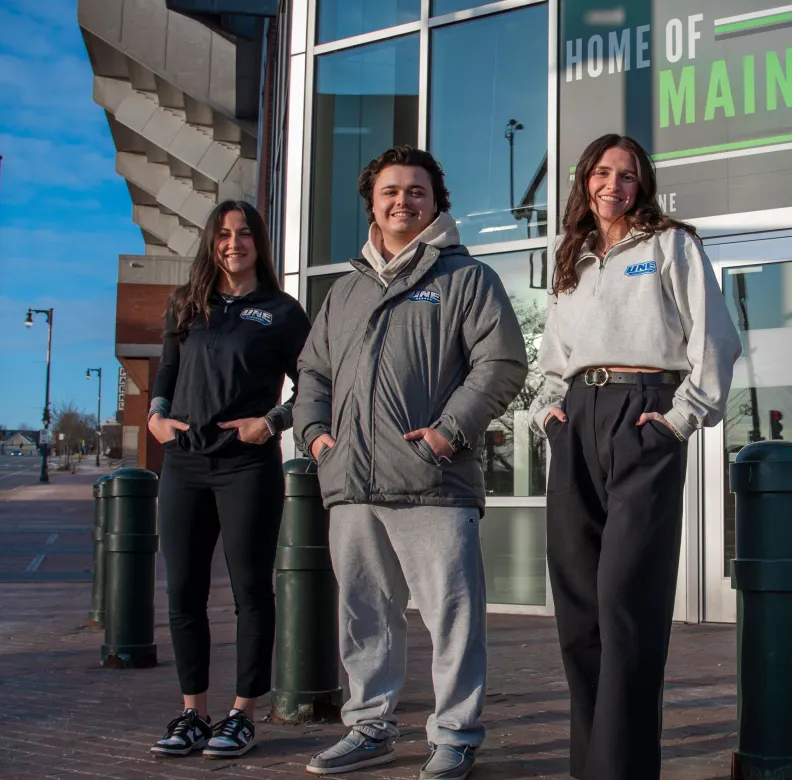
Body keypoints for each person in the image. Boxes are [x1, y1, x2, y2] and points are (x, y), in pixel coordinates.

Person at [295, 146, 527, 780]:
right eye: (391, 191)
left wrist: (448, 434)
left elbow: (502, 363)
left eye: (416, 191)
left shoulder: (466, 278)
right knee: (365, 616)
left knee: (452, 617)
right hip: (352, 483)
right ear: (372, 202)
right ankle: (369, 727)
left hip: (433, 480)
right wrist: (317, 436)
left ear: (435, 203)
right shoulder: (343, 292)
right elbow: (312, 371)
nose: (403, 200)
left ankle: (455, 733)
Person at [531, 134, 742, 780]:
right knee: (579, 612)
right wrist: (547, 413)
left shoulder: (671, 244)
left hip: (642, 416)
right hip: (577, 420)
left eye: (626, 175)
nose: (613, 184)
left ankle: (621, 771)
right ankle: (589, 766)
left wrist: (679, 420)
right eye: (602, 172)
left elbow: (717, 340)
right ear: (585, 181)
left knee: (626, 606)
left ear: (641, 184)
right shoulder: (574, 257)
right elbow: (552, 360)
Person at [145, 200, 312, 759]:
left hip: (246, 467)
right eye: (222, 234)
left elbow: (313, 386)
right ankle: (193, 711)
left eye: (243, 234)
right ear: (211, 243)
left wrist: (272, 423)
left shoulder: (282, 312)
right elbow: (166, 369)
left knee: (249, 592)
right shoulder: (187, 304)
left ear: (258, 243)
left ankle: (242, 714)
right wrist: (155, 416)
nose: (232, 242)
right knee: (183, 592)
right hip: (184, 464)